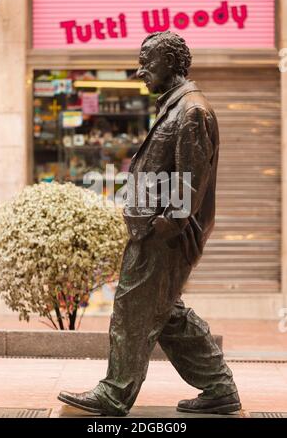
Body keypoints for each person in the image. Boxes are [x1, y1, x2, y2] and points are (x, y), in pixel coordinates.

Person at [58, 31, 241, 416]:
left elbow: (191, 181)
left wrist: (163, 224)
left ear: (172, 63)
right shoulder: (175, 107)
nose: (140, 70)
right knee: (166, 313)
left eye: (148, 62)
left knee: (131, 308)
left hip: (163, 237)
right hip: (157, 232)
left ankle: (114, 392)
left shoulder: (191, 111)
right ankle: (219, 387)